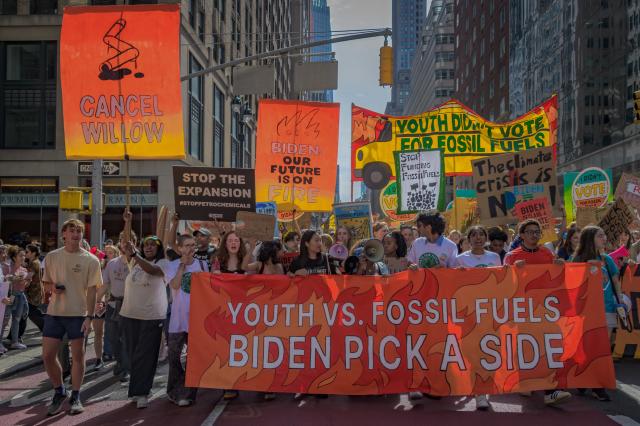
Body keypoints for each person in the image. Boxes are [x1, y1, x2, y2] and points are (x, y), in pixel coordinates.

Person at [503, 219, 571, 406]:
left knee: (549, 347)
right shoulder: (512, 256)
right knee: (526, 347)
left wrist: (560, 266)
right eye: (530, 232)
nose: (534, 235)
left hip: (545, 310)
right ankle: (526, 381)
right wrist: (514, 271)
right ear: (522, 235)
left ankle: (551, 390)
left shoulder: (547, 254)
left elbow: (557, 280)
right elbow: (504, 283)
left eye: (537, 232)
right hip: (523, 310)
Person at [41, 219, 102, 416]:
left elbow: (92, 291)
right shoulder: (51, 256)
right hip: (54, 313)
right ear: (64, 234)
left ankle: (76, 396)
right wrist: (53, 290)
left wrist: (89, 318)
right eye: (72, 230)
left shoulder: (91, 260)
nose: (76, 234)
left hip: (78, 315)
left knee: (78, 356)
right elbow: (46, 284)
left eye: (79, 231)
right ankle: (59, 391)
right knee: (48, 356)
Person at [570, 226, 622, 402]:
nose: (604, 238)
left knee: (603, 349)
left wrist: (620, 302)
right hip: (586, 312)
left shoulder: (607, 260)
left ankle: (596, 385)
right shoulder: (577, 259)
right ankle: (588, 380)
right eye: (600, 235)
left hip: (607, 309)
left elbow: (616, 282)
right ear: (590, 238)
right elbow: (571, 285)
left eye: (604, 235)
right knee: (587, 348)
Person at [119, 235, 170, 409]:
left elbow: (151, 270)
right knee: (133, 354)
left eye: (152, 245)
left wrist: (135, 255)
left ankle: (142, 392)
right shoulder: (133, 262)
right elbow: (126, 244)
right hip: (130, 314)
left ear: (159, 248)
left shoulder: (163, 263)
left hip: (152, 316)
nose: (148, 247)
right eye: (145, 244)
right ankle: (136, 390)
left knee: (146, 354)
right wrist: (127, 222)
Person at [454, 225, 500, 411]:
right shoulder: (460, 259)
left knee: (489, 351)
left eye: (482, 234)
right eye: (474, 235)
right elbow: (454, 285)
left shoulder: (494, 257)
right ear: (468, 239)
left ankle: (483, 391)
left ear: (486, 238)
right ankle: (477, 389)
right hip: (469, 313)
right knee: (473, 352)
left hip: (490, 312)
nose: (478, 238)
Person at [166, 234, 207, 407]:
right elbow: (174, 286)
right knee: (174, 356)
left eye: (193, 245)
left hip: (197, 321)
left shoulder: (203, 265)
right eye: (187, 245)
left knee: (194, 358)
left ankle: (188, 394)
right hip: (177, 319)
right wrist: (181, 268)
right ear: (180, 248)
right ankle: (174, 390)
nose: (191, 248)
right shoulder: (173, 265)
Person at [211, 231, 253, 400]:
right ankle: (228, 385)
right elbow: (211, 281)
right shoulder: (217, 261)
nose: (233, 243)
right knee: (225, 349)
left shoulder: (244, 258)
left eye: (236, 240)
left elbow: (249, 272)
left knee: (243, 347)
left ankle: (244, 381)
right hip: (224, 311)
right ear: (224, 243)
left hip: (242, 310)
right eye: (230, 240)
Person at [99, 228, 136, 381]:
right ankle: (120, 362)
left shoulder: (136, 262)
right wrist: (96, 301)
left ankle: (127, 368)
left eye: (129, 241)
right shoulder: (112, 263)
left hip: (130, 307)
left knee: (127, 339)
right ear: (119, 244)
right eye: (122, 241)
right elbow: (104, 284)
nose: (125, 244)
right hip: (113, 306)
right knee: (113, 339)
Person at [2, 246, 30, 349]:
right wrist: (14, 279)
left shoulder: (23, 269)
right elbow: (4, 281)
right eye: (21, 255)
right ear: (14, 257)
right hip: (10, 295)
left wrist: (27, 281)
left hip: (20, 296)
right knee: (5, 320)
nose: (23, 257)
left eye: (24, 255)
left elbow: (24, 285)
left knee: (17, 319)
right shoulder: (7, 267)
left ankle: (15, 341)